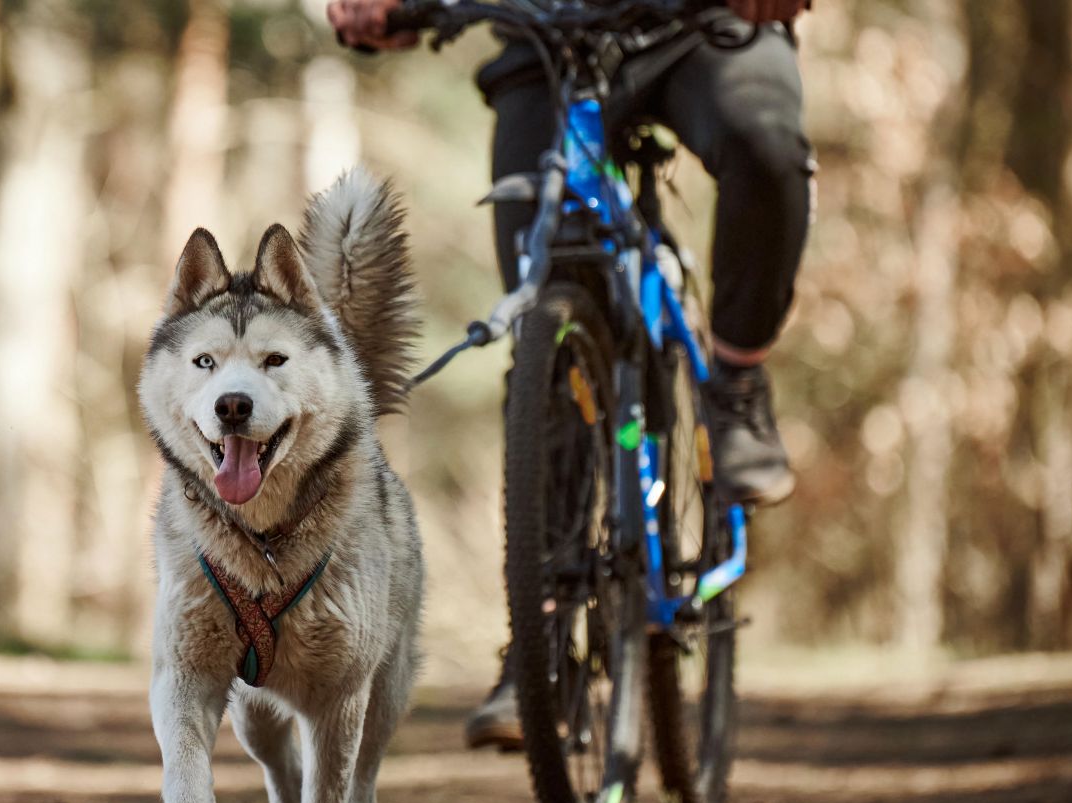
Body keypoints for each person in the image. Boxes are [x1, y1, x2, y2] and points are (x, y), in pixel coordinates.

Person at [328, 0, 813, 749]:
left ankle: (738, 382)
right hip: (549, 38)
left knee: (766, 148)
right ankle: (544, 642)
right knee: (544, 325)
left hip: (702, 30)